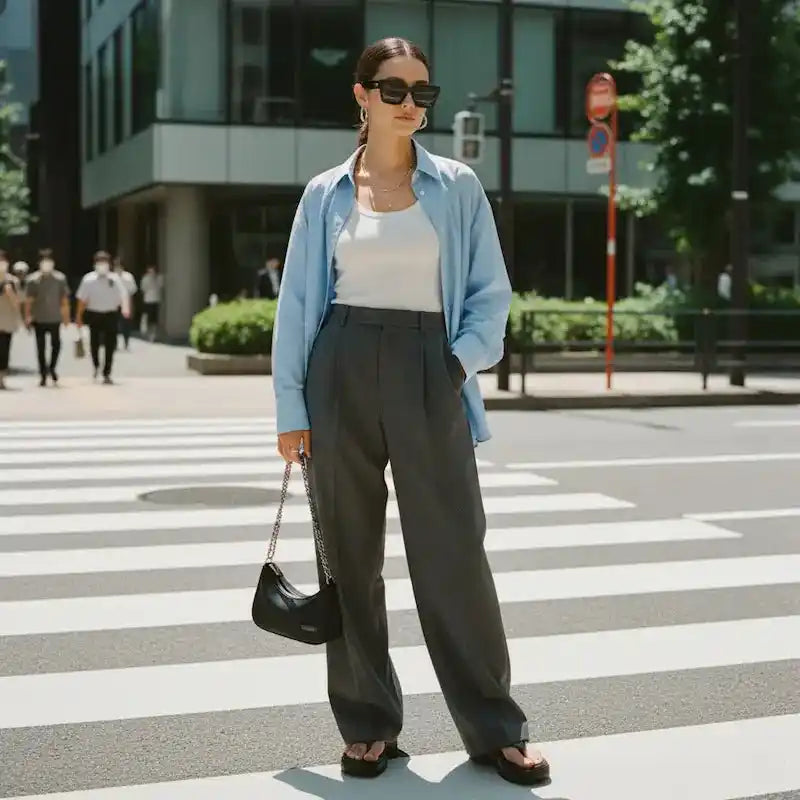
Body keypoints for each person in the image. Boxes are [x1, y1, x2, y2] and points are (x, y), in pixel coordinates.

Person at [271, 37, 549, 786]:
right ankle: (368, 725)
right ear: (362, 96)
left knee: (453, 551)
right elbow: (296, 305)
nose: (410, 105)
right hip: (338, 367)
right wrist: (291, 407)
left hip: (432, 366)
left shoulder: (456, 185)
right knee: (349, 558)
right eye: (393, 90)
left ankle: (496, 727)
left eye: (421, 92)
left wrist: (456, 364)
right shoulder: (324, 193)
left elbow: (491, 292)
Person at [75, 251, 130, 384]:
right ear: (95, 264)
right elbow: (81, 299)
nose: (102, 265)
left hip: (110, 314)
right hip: (94, 313)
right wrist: (78, 317)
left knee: (110, 344)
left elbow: (123, 295)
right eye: (100, 262)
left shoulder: (115, 279)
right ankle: (96, 366)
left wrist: (125, 308)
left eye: (105, 262)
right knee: (94, 343)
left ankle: (107, 372)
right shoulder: (88, 279)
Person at [23, 249, 71, 386]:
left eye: (49, 261)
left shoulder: (60, 278)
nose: (46, 264)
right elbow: (29, 301)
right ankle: (43, 374)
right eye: (44, 261)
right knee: (41, 347)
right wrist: (27, 316)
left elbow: (64, 299)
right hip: (39, 318)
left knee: (56, 345)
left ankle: (52, 368)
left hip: (55, 317)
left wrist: (66, 316)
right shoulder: (32, 280)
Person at [0, 251, 22, 390]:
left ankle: (1, 378)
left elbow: (17, 303)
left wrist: (9, 290)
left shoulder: (13, 281)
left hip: (6, 322)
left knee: (4, 351)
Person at [113, 257, 138, 349]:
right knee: (114, 324)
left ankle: (126, 342)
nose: (117, 268)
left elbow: (132, 291)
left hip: (125, 302)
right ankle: (114, 343)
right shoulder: (111, 277)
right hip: (114, 303)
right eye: (116, 266)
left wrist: (131, 305)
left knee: (126, 324)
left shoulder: (128, 277)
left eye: (119, 266)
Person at [139, 264, 162, 341]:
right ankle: (148, 333)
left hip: (156, 300)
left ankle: (153, 334)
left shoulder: (159, 278)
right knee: (148, 317)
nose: (151, 273)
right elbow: (143, 288)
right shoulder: (145, 278)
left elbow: (160, 286)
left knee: (154, 318)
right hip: (148, 300)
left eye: (153, 271)